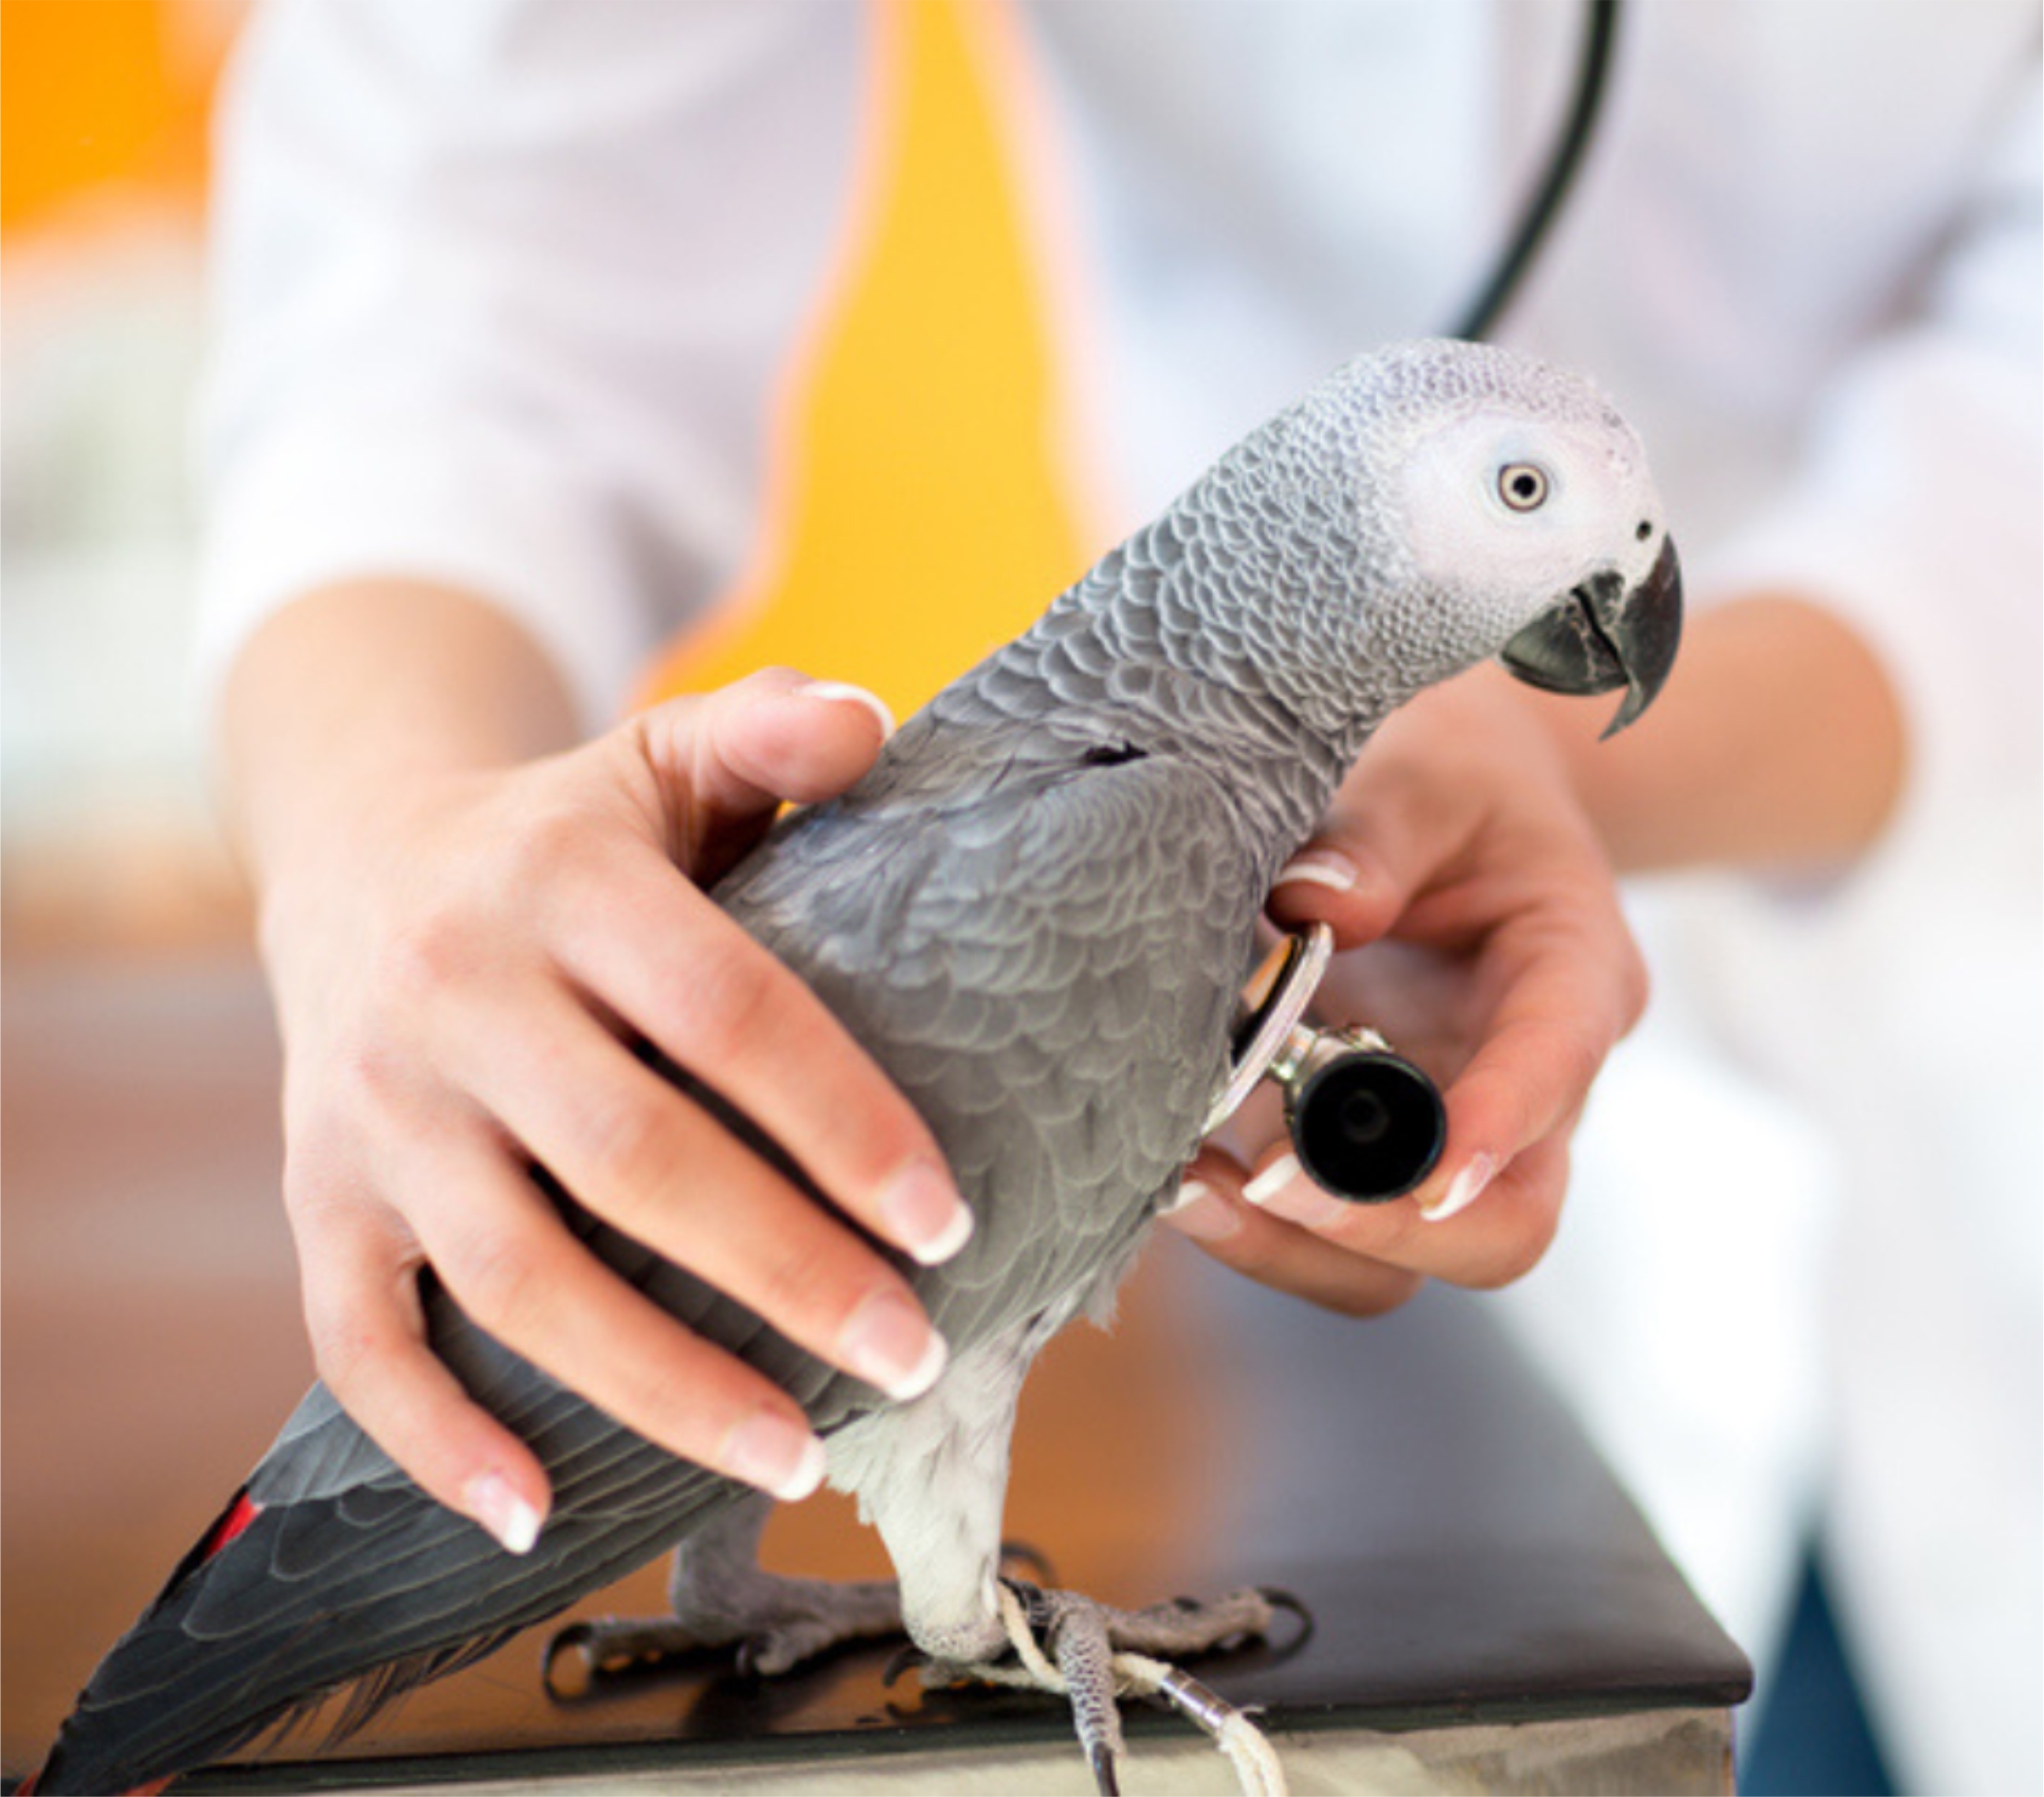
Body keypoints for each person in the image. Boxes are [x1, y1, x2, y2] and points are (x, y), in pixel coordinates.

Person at [198, 3, 2038, 1788]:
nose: (1625, 554)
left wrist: (1554, 764)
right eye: (1522, 489)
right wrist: (385, 824)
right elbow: (465, 243)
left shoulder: (1192, 821)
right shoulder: (1127, 844)